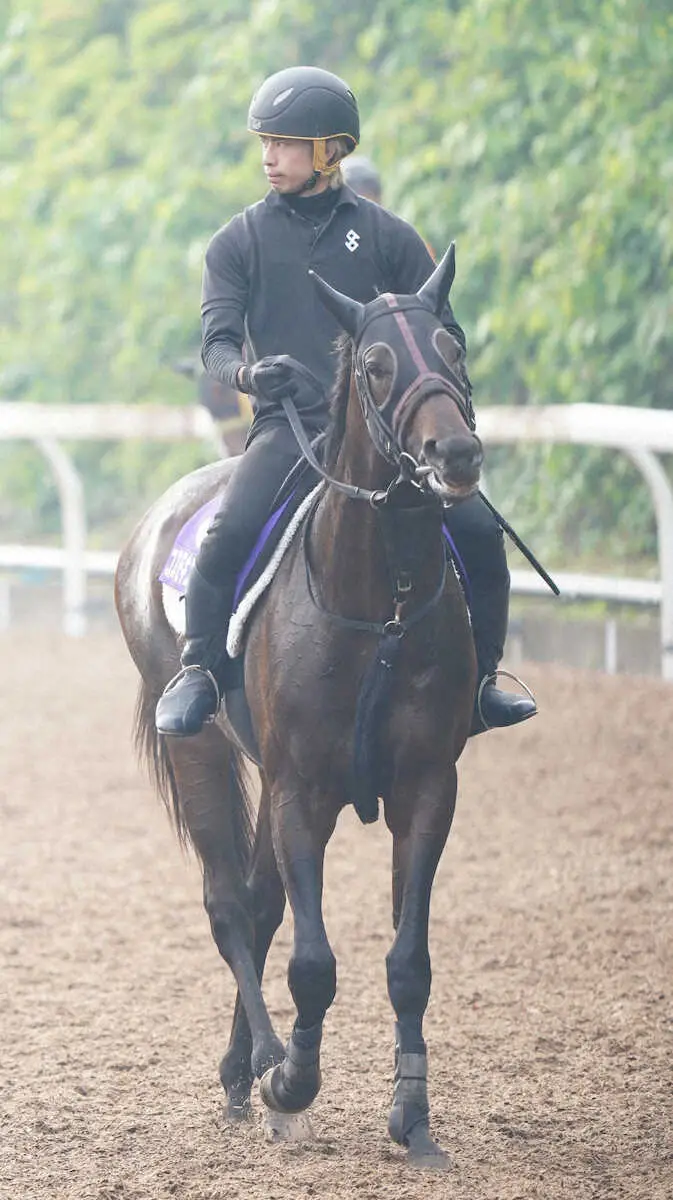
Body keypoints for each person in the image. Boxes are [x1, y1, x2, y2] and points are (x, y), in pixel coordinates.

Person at [156, 65, 536, 739]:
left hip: (390, 437)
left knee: (479, 532)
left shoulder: (391, 236)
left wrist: (435, 413)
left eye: (285, 143)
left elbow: (443, 331)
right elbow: (214, 346)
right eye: (264, 143)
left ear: (329, 150)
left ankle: (484, 682)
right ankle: (199, 672)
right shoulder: (235, 243)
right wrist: (248, 376)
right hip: (290, 428)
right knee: (228, 531)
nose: (268, 157)